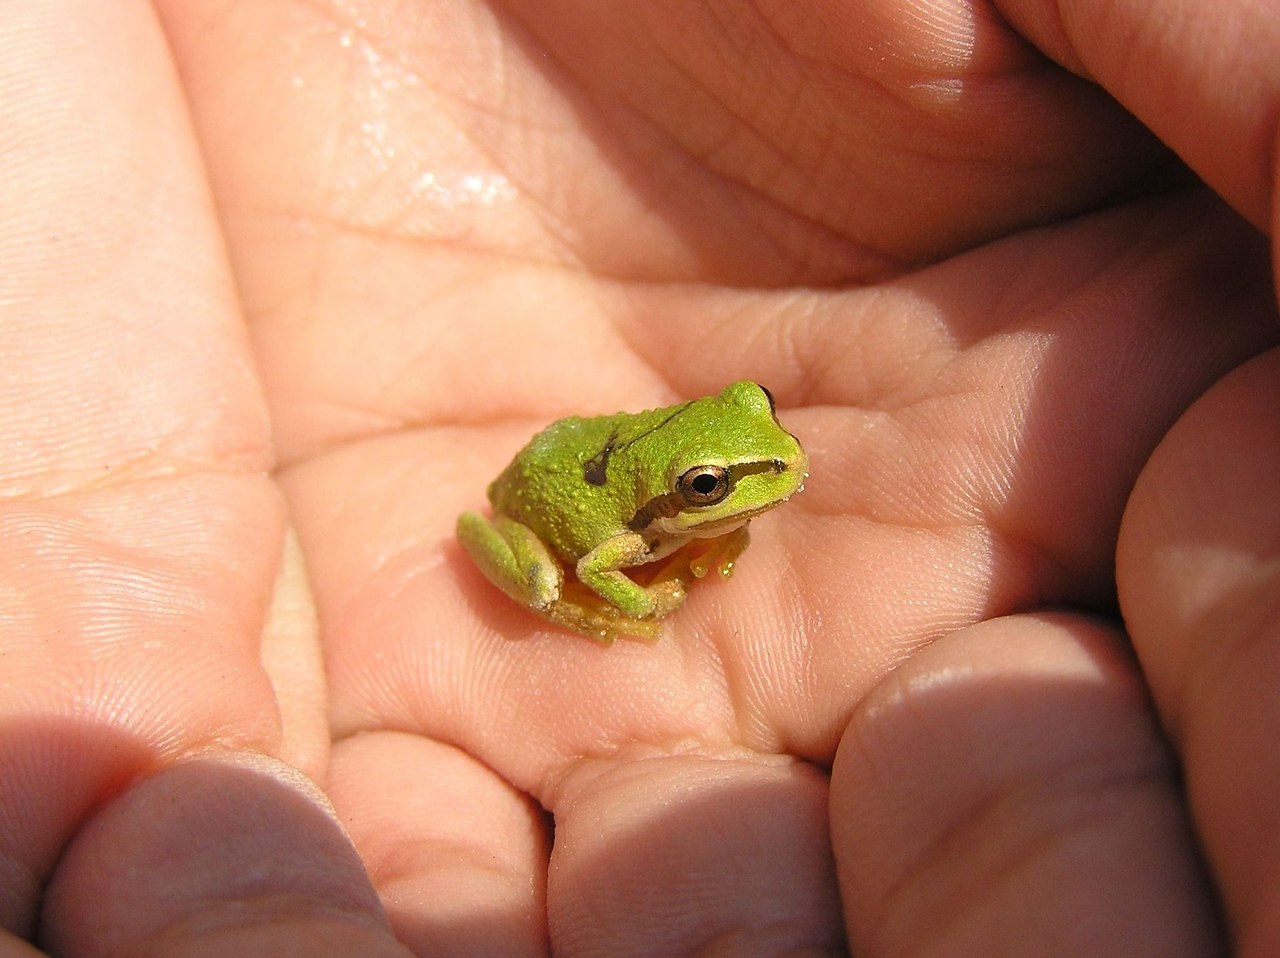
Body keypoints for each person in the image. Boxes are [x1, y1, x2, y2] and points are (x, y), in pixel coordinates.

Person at [2, 1, 1276, 954]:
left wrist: (709, 514)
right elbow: (612, 558)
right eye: (726, 482)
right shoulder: (629, 533)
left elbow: (728, 455)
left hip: (596, 446)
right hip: (544, 508)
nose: (769, 468)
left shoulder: (725, 448)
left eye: (748, 445)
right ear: (687, 489)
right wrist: (608, 601)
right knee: (576, 564)